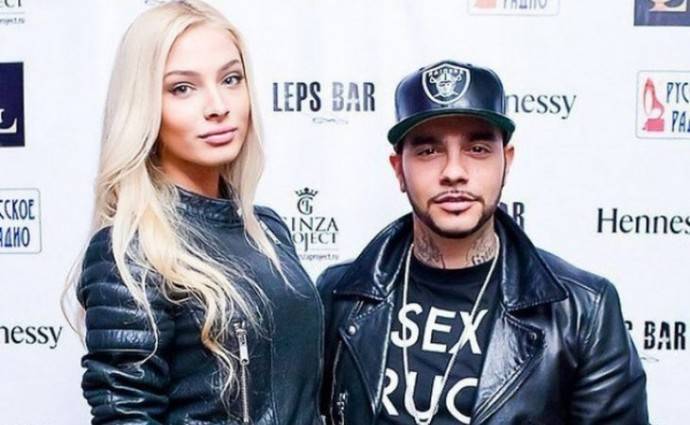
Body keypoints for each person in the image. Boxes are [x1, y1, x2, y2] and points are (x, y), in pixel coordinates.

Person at [317, 60, 649, 425]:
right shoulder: (340, 295)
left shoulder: (582, 310)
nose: (453, 172)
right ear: (399, 170)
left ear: (506, 162)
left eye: (477, 149)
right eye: (428, 151)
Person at [65, 1, 323, 424]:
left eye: (231, 79)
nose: (218, 105)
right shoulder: (130, 251)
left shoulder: (268, 229)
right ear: (144, 105)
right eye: (183, 88)